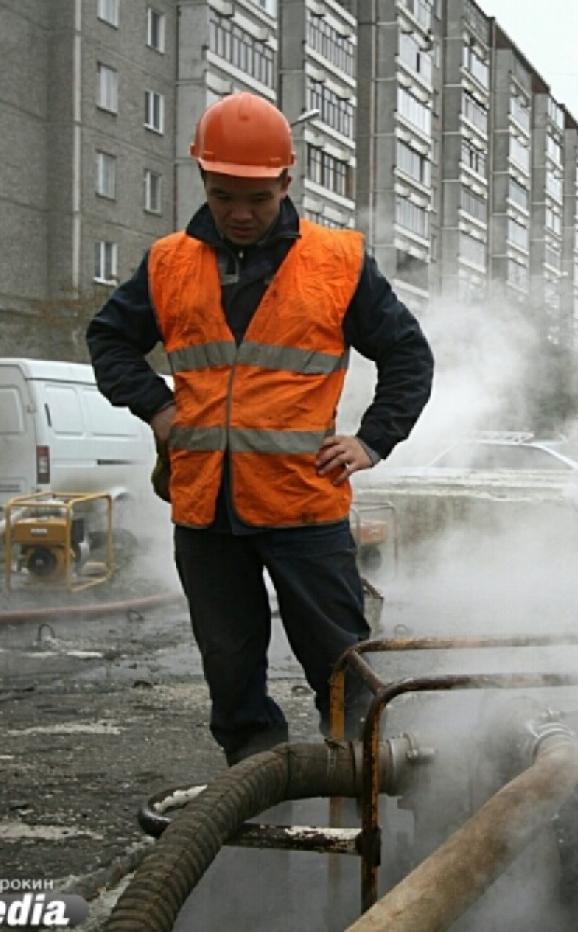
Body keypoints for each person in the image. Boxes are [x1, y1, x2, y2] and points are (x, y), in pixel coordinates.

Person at [86, 93, 433, 765]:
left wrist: (370, 441)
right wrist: (158, 407)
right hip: (206, 512)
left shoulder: (337, 263)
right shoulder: (168, 264)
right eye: (223, 198)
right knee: (230, 667)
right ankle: (256, 787)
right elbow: (109, 339)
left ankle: (364, 778)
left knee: (341, 662)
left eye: (256, 199)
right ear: (202, 183)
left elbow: (408, 356)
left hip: (303, 505)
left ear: (285, 182)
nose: (240, 215)